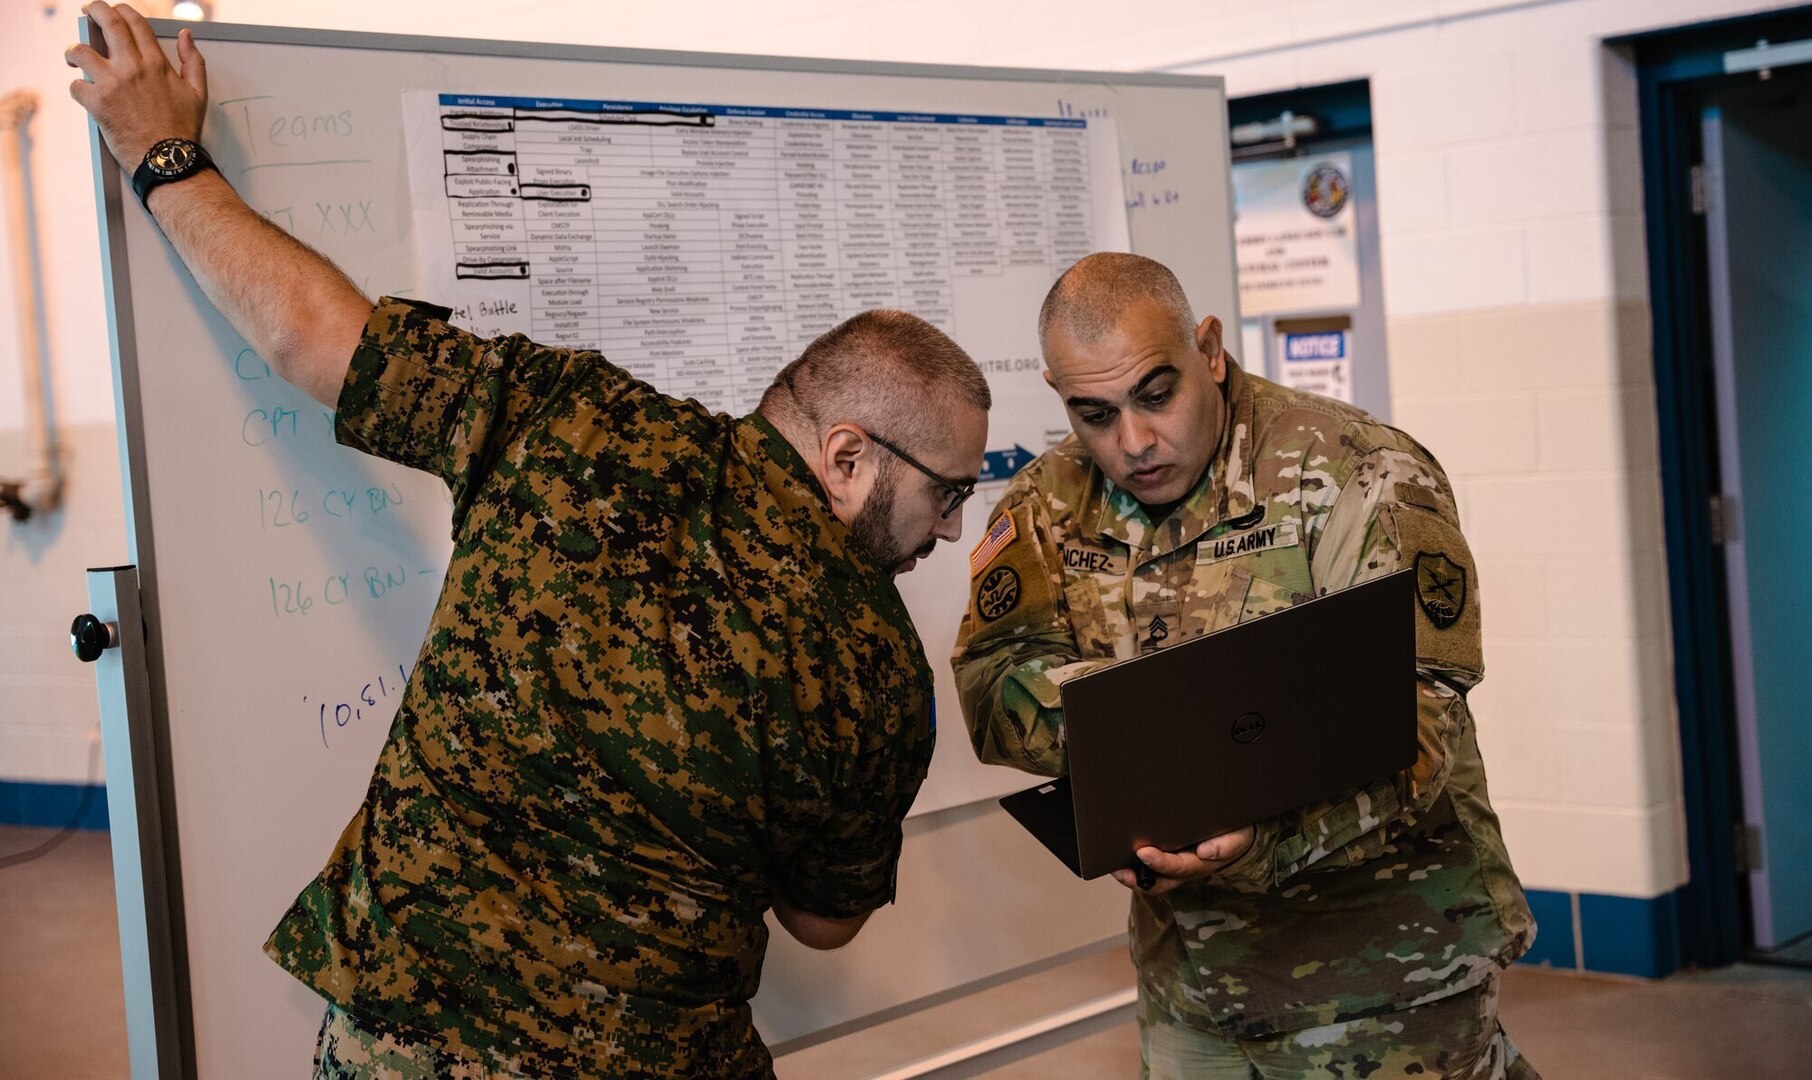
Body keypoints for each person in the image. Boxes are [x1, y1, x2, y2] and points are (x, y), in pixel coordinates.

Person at [67, 5, 991, 1076]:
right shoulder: (876, 668)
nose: (953, 524)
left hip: (405, 1051)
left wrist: (162, 154)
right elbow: (823, 923)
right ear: (845, 456)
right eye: (948, 491)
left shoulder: (568, 415)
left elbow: (308, 336)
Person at [953, 253, 1537, 1079]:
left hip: (1385, 978)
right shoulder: (1048, 504)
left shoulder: (1355, 470)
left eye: (1158, 394)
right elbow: (992, 672)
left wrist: (1261, 828)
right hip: (1190, 987)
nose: (1133, 442)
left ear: (1211, 349)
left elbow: (1419, 712)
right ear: (1058, 392)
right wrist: (1135, 737)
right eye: (1095, 413)